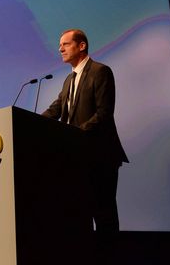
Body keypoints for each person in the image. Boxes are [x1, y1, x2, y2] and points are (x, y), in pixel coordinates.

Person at [42, 29, 129, 245]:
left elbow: (104, 113)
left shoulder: (100, 72)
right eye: (59, 44)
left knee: (103, 212)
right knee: (78, 212)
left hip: (99, 155)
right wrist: (27, 122)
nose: (60, 49)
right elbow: (56, 109)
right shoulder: (68, 81)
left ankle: (109, 257)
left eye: (65, 44)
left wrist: (75, 134)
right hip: (76, 157)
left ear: (81, 46)